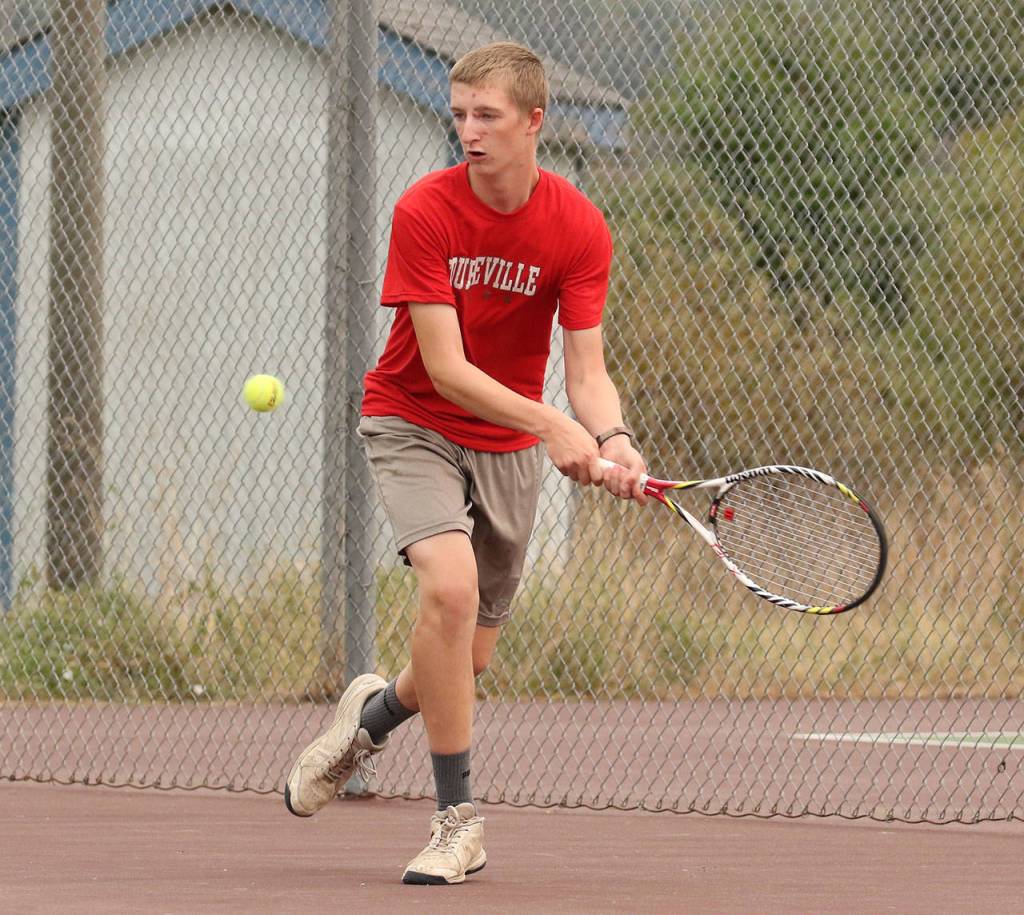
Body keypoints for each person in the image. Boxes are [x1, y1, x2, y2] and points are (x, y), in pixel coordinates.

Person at [284, 40, 646, 885]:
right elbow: (445, 367)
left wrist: (615, 438)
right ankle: (458, 822)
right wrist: (555, 424)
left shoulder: (579, 226)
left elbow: (587, 372)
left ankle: (369, 717)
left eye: (487, 116)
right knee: (447, 589)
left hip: (505, 447)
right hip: (411, 417)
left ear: (533, 122)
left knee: (464, 661)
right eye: (459, 115)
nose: (469, 132)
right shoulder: (427, 210)